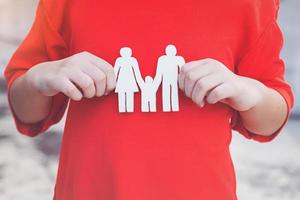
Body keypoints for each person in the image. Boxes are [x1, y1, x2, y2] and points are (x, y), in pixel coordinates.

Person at [3, 0, 294, 199]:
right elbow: (26, 112)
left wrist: (247, 91)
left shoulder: (248, 4)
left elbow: (269, 121)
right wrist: (41, 77)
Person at [153, 44, 185, 112]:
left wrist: (183, 82)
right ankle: (167, 107)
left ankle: (174, 107)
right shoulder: (162, 59)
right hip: (166, 79)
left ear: (175, 51)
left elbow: (183, 71)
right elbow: (159, 73)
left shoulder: (179, 59)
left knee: (174, 93)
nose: (171, 52)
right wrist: (155, 85)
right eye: (169, 50)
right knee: (166, 93)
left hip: (175, 79)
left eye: (172, 50)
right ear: (166, 51)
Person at [114, 47, 143, 113]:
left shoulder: (132, 60)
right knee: (122, 95)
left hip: (129, 81)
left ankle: (128, 109)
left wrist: (141, 83)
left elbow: (137, 72)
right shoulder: (119, 60)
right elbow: (115, 72)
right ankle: (123, 109)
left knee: (129, 95)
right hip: (122, 81)